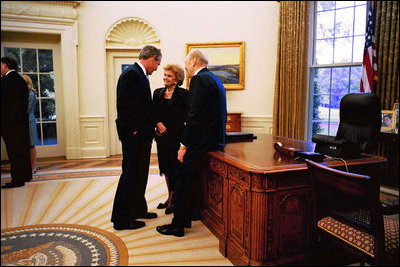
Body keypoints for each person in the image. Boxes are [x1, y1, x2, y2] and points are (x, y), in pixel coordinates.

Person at [156, 50, 227, 237]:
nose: (186, 67)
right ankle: (184, 219)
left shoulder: (199, 79)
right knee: (186, 181)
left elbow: (194, 117)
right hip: (213, 141)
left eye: (186, 63)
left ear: (194, 61)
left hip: (200, 143)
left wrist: (183, 145)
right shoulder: (214, 78)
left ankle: (177, 225)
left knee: (182, 181)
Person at [111, 45, 162, 230]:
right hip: (134, 135)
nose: (157, 68)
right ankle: (121, 219)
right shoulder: (131, 74)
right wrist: (135, 131)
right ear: (152, 58)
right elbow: (126, 107)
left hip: (142, 134)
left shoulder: (139, 74)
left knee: (140, 174)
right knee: (130, 174)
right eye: (158, 63)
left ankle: (138, 209)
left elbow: (143, 106)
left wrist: (152, 125)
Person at [153, 64, 188, 215]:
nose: (165, 78)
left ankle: (174, 199)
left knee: (175, 169)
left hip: (177, 138)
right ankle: (169, 197)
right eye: (165, 75)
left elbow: (186, 117)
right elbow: (153, 112)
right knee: (166, 169)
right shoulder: (157, 93)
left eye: (169, 76)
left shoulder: (184, 94)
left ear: (177, 79)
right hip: (162, 138)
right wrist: (157, 123)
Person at [1, 56, 32, 189]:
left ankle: (17, 180)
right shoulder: (20, 80)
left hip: (10, 124)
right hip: (20, 123)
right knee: (22, 151)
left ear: (5, 66)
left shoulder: (7, 81)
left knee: (14, 153)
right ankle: (25, 176)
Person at [21, 75, 39, 173]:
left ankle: (33, 167)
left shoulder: (31, 94)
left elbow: (27, 109)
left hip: (29, 121)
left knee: (31, 145)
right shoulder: (22, 93)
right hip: (22, 121)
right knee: (26, 145)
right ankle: (33, 164)